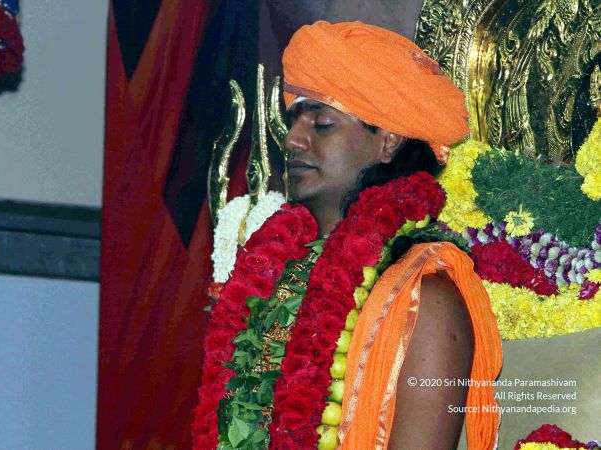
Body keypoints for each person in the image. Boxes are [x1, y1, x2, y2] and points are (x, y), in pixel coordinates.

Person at [193, 21, 502, 450]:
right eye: (295, 121)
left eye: (322, 123)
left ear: (388, 142)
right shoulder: (271, 271)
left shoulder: (425, 298)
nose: (293, 140)